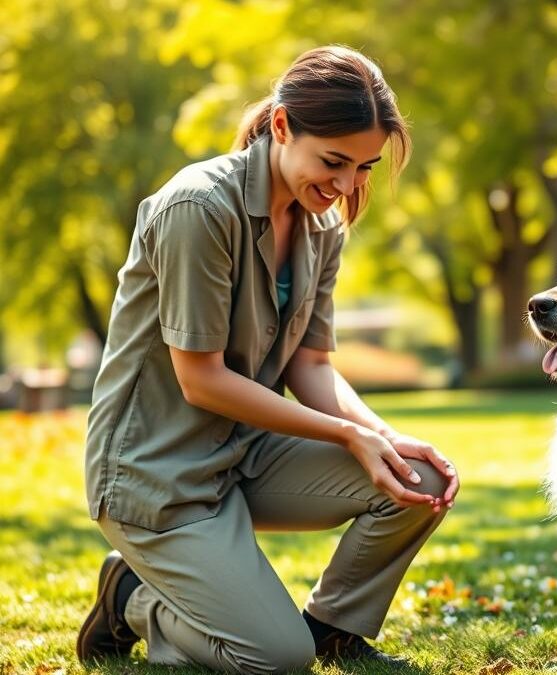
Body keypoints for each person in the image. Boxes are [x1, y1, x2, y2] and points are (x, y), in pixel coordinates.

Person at [77, 46, 459, 673]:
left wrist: (385, 439)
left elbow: (310, 366)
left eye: (363, 168)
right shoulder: (198, 208)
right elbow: (200, 381)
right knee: (275, 659)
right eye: (333, 161)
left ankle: (333, 628)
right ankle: (135, 601)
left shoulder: (322, 225)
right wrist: (345, 434)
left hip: (243, 451)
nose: (346, 186)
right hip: (157, 473)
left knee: (420, 484)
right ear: (282, 127)